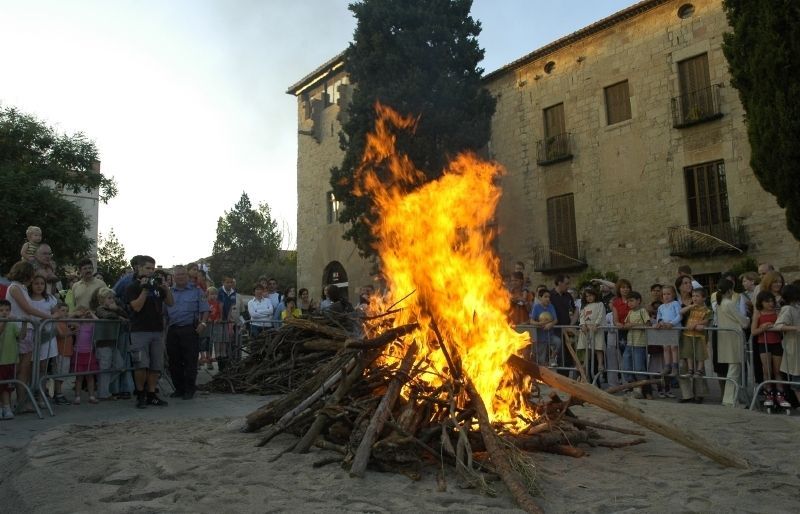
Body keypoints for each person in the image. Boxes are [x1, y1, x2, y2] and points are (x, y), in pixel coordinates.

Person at [125, 255, 174, 408]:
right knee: (141, 365)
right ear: (139, 268)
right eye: (147, 268)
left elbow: (170, 303)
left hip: (157, 331)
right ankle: (140, 394)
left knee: (155, 365)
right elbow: (136, 307)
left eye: (153, 268)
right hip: (139, 330)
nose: (151, 271)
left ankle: (152, 394)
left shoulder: (157, 286)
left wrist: (166, 288)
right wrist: (145, 290)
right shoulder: (133, 287)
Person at [4, 261, 51, 413]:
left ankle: (21, 401)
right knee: (18, 369)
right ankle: (13, 402)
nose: (32, 278)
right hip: (18, 330)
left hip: (26, 329)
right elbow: (27, 309)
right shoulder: (15, 287)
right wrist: (49, 316)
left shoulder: (21, 288)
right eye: (31, 275)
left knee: (24, 369)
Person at [164, 266, 209, 400]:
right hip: (173, 330)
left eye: (183, 274)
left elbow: (205, 309)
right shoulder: (168, 292)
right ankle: (179, 389)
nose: (180, 277)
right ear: (174, 277)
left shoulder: (197, 291)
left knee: (190, 361)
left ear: (187, 276)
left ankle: (190, 389)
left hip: (190, 329)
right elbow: (164, 313)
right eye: (177, 275)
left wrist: (203, 324)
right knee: (174, 361)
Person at [714, 279, 750, 406]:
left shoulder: (719, 303)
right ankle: (730, 399)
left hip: (726, 337)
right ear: (729, 290)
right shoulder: (729, 303)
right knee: (734, 369)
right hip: (734, 338)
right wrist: (748, 319)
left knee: (734, 368)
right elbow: (742, 320)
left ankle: (733, 397)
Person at [92, 287, 128, 400]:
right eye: (109, 298)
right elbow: (107, 316)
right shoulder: (100, 309)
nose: (112, 300)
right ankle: (103, 393)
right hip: (103, 343)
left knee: (120, 366)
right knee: (105, 367)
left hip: (112, 342)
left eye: (113, 298)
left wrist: (117, 310)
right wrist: (118, 316)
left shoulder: (114, 309)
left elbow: (126, 315)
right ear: (102, 299)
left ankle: (101, 386)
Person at [751, 291, 784, 408]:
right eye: (767, 301)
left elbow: (782, 326)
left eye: (772, 301)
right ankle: (768, 393)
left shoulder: (777, 312)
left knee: (778, 371)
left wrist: (775, 327)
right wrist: (763, 328)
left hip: (776, 343)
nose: (770, 304)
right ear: (761, 302)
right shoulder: (758, 313)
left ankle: (780, 394)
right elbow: (753, 331)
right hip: (763, 344)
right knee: (767, 370)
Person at [679, 287, 712, 403]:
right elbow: (681, 312)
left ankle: (699, 393)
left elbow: (707, 320)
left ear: (704, 298)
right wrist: (690, 306)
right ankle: (687, 394)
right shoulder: (690, 307)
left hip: (699, 336)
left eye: (697, 296)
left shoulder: (707, 310)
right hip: (687, 335)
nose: (694, 298)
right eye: (693, 296)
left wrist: (697, 324)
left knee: (699, 356)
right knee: (687, 356)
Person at [774, 284, 800, 408]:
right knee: (797, 377)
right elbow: (778, 325)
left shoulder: (796, 307)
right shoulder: (788, 309)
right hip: (795, 347)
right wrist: (795, 328)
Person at [623, 291, 650, 398]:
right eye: (628, 301)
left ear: (638, 301)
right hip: (629, 343)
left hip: (640, 344)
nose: (629, 303)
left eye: (632, 301)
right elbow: (626, 324)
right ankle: (633, 387)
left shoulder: (642, 311)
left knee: (639, 368)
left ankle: (641, 390)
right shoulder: (630, 312)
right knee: (626, 366)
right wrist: (627, 325)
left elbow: (647, 325)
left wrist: (633, 325)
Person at [0, 299, 24, 420]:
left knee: (7, 386)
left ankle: (7, 407)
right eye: (1, 310)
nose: (5, 312)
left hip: (10, 360)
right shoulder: (4, 323)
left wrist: (25, 323)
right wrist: (4, 322)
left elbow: (21, 337)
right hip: (1, 361)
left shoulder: (13, 324)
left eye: (7, 310)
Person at [71, 306, 99, 404]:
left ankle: (91, 396)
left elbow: (98, 322)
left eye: (85, 313)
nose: (84, 315)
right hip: (78, 353)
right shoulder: (77, 324)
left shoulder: (91, 324)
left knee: (90, 377)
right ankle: (77, 396)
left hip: (89, 353)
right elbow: (68, 321)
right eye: (82, 314)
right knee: (79, 378)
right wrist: (75, 314)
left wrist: (91, 313)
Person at [575, 286, 605, 376]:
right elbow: (582, 317)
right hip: (586, 331)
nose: (589, 298)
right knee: (586, 348)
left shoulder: (600, 304)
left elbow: (601, 315)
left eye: (591, 295)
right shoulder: (584, 307)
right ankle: (584, 364)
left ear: (595, 295)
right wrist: (583, 325)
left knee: (598, 347)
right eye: (587, 296)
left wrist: (596, 324)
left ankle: (600, 364)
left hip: (597, 329)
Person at [550, 275, 576, 370]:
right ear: (559, 283)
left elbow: (575, 310)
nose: (568, 286)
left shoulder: (568, 296)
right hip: (554, 331)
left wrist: (571, 325)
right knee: (559, 357)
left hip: (567, 331)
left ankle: (566, 377)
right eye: (566, 284)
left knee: (568, 358)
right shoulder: (550, 295)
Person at [51, 302, 74, 405]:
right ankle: (58, 394)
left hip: (67, 351)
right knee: (59, 374)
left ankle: (58, 393)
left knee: (63, 374)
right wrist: (72, 332)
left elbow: (77, 326)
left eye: (67, 311)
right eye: (63, 310)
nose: (65, 313)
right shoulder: (56, 322)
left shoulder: (66, 322)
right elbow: (61, 334)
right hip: (60, 351)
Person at [530, 289, 558, 366]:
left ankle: (552, 358)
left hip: (550, 335)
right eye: (545, 297)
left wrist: (550, 324)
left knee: (558, 342)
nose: (548, 299)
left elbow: (555, 320)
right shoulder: (536, 307)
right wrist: (539, 323)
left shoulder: (551, 306)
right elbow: (531, 321)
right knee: (541, 361)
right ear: (540, 297)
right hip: (540, 337)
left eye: (549, 297)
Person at [201, 286, 220, 370]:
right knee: (202, 342)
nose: (214, 296)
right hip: (205, 325)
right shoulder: (205, 303)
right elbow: (202, 312)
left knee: (210, 343)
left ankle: (209, 361)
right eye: (212, 294)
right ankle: (202, 359)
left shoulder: (217, 303)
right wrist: (206, 318)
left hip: (212, 326)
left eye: (215, 294)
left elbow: (218, 313)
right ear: (207, 295)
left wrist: (217, 319)